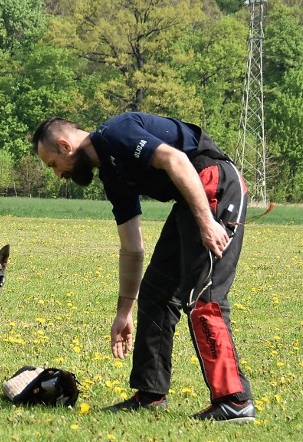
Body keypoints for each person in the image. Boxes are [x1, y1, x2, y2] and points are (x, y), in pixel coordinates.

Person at [32, 113, 255, 422]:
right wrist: (124, 313)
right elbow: (132, 248)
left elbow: (175, 160)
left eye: (53, 164)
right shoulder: (112, 175)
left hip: (212, 181)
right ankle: (150, 394)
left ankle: (234, 400)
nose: (57, 174)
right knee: (156, 292)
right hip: (190, 197)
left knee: (204, 295)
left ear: (64, 145)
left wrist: (206, 222)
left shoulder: (116, 133)